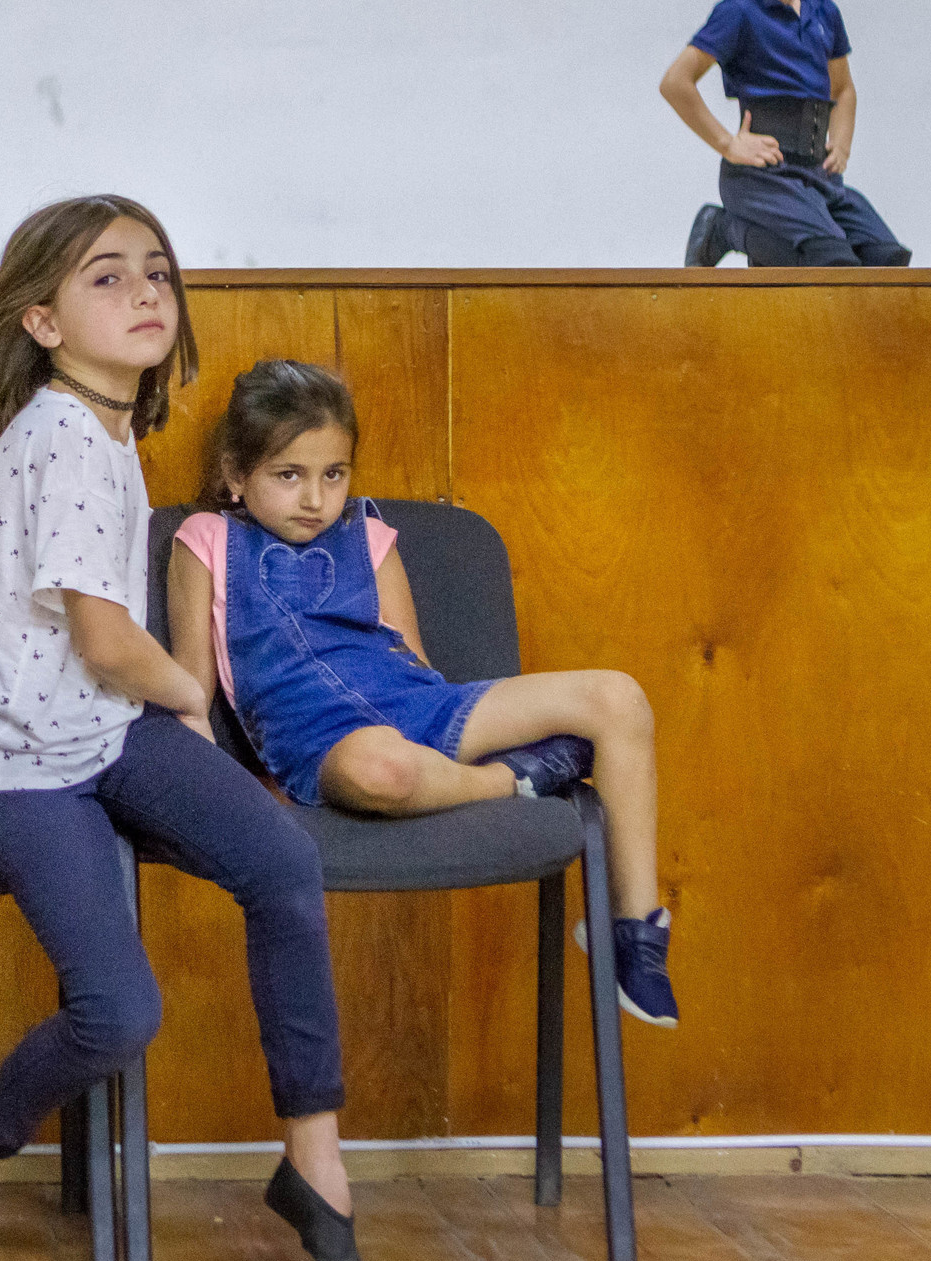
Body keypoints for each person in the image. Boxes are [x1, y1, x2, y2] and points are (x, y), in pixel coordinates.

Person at [0, 197, 361, 1261]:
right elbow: (110, 643)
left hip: (96, 726)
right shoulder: (66, 440)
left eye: (155, 272)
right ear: (42, 325)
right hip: (20, 756)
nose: (143, 292)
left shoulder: (106, 431)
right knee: (116, 1011)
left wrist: (161, 710)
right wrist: (190, 701)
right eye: (106, 278)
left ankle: (313, 1155)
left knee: (279, 857)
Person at [170, 360, 676, 1026]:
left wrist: (463, 719)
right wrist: (225, 790)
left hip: (419, 706)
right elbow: (188, 691)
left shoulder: (369, 534)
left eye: (334, 474)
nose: (317, 499)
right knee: (384, 767)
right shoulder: (206, 539)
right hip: (322, 741)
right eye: (288, 475)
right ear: (237, 476)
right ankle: (516, 778)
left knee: (619, 697)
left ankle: (633, 936)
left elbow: (412, 660)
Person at [662, 0, 910, 268]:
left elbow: (842, 88)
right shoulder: (739, 11)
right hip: (763, 174)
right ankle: (723, 228)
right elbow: (676, 82)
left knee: (884, 258)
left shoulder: (824, 11)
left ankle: (783, 235)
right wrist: (728, 144)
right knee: (827, 262)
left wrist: (842, 143)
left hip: (817, 174)